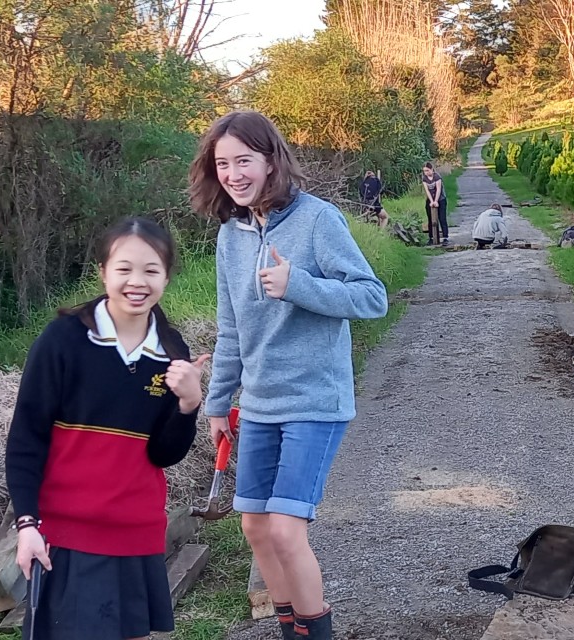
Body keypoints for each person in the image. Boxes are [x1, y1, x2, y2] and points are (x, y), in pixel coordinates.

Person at [190, 110, 388, 640]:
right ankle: (290, 630)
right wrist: (216, 404)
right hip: (257, 405)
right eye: (223, 164)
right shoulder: (230, 237)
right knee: (254, 524)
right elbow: (230, 329)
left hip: (313, 401)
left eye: (244, 161)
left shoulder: (318, 220)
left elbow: (372, 298)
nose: (233, 174)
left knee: (284, 527)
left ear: (272, 160)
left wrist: (298, 283)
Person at [5, 216, 206, 640]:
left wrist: (189, 403)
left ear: (167, 276)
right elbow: (26, 439)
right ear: (102, 272)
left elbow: (163, 454)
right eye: (124, 269)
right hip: (68, 533)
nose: (138, 282)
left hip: (137, 530)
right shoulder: (63, 340)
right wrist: (27, 525)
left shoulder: (172, 351)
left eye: (151, 270)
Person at [422, 162, 447, 246]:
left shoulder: (437, 177)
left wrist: (436, 201)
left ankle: (445, 237)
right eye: (424, 171)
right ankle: (431, 237)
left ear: (432, 169)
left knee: (442, 218)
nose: (426, 173)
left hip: (440, 199)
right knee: (430, 219)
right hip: (430, 199)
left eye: (427, 170)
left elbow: (438, 190)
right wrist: (431, 201)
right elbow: (427, 190)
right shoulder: (424, 178)